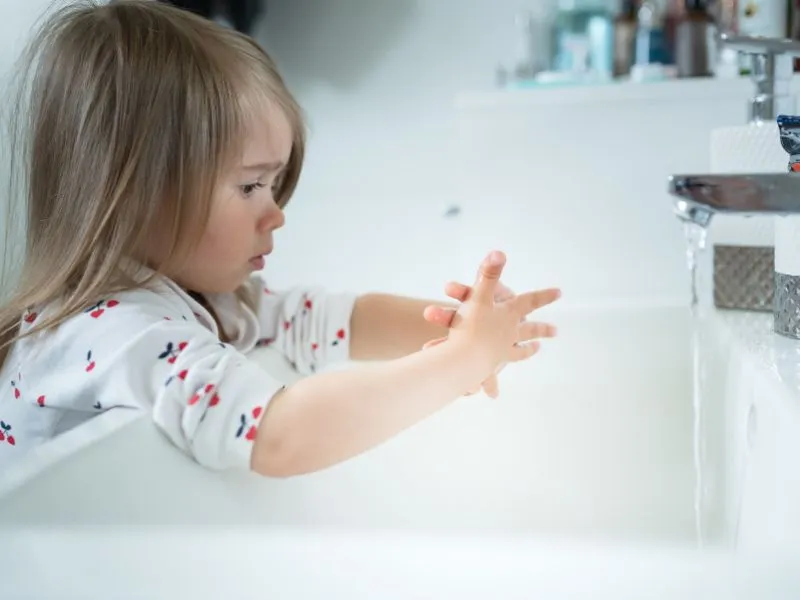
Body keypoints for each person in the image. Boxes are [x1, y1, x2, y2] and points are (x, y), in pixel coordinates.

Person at [0, 0, 560, 477]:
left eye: (273, 184)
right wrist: (457, 364)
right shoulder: (111, 332)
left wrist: (465, 330)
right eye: (249, 186)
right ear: (134, 192)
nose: (276, 214)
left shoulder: (201, 298)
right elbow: (277, 432)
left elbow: (320, 319)